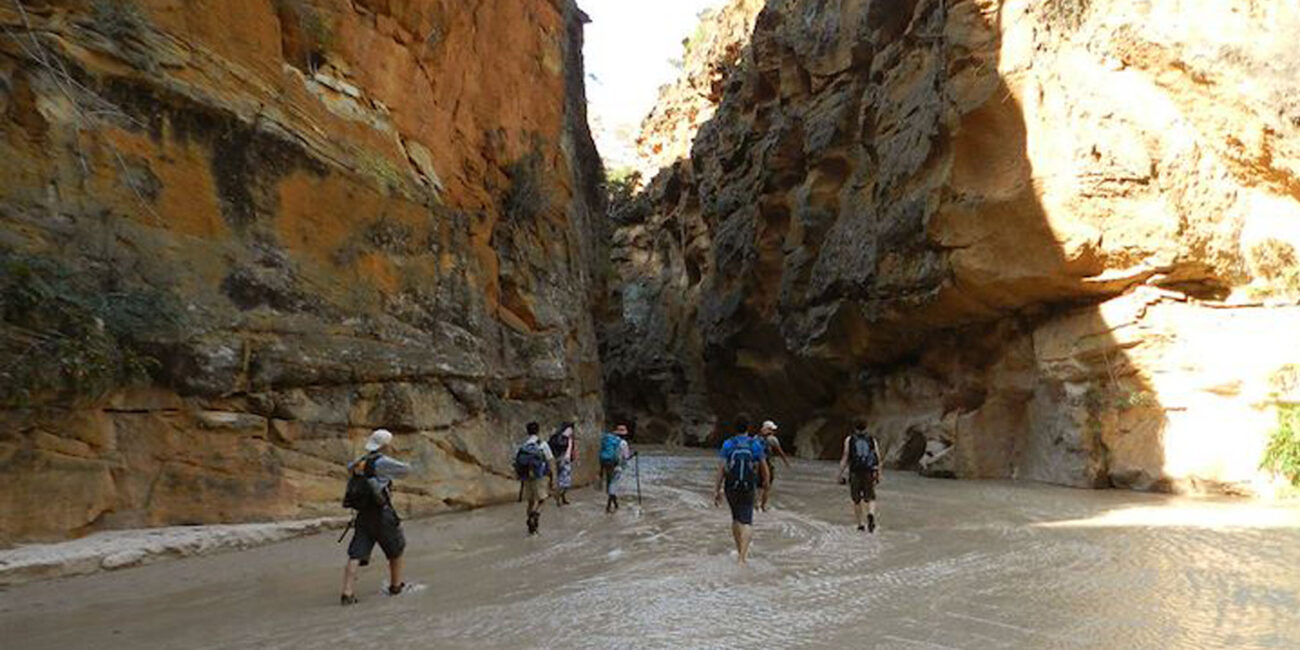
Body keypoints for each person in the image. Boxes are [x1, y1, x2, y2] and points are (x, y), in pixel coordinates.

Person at [341, 428, 412, 605]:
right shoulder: (382, 462)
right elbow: (406, 470)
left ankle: (347, 593)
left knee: (355, 553)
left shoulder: (359, 462)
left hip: (362, 515)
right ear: (385, 445)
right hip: (382, 514)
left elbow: (349, 468)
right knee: (396, 549)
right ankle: (395, 586)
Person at [713, 417, 769, 565]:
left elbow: (721, 469)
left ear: (735, 427)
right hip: (749, 486)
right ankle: (742, 557)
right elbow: (764, 468)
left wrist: (717, 489)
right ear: (748, 427)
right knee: (747, 522)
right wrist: (765, 485)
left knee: (736, 518)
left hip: (731, 486)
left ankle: (740, 552)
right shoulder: (755, 444)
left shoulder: (728, 444)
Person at [836, 419, 883, 533]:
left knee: (856, 500)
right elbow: (878, 457)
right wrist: (879, 474)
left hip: (855, 472)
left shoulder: (850, 439)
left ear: (855, 427)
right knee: (871, 498)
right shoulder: (871, 439)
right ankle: (870, 514)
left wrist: (839, 474)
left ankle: (860, 525)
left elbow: (845, 456)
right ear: (866, 427)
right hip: (868, 472)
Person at [515, 421, 556, 535]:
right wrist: (553, 478)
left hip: (526, 477)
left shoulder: (523, 446)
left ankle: (530, 527)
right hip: (540, 476)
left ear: (527, 431)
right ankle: (535, 516)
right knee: (543, 499)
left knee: (530, 501)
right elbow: (550, 461)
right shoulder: (543, 444)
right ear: (538, 431)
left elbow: (518, 463)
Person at [598, 423, 634, 513]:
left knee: (610, 484)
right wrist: (634, 455)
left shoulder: (609, 440)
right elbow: (626, 457)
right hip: (617, 466)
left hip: (607, 464)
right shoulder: (623, 443)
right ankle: (608, 507)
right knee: (613, 485)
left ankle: (616, 505)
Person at [757, 420, 792, 511]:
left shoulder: (756, 438)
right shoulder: (772, 439)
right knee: (767, 486)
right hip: (768, 465)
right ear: (769, 430)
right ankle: (763, 506)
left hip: (757, 465)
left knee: (757, 486)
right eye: (772, 429)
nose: (774, 431)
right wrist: (786, 462)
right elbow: (780, 452)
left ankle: (756, 505)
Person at [548, 422, 577, 506]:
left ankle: (562, 497)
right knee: (563, 480)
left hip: (564, 460)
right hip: (562, 459)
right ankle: (558, 498)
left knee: (564, 480)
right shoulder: (563, 437)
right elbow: (563, 446)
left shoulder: (568, 438)